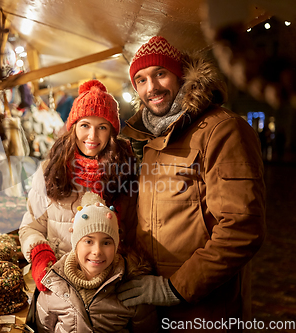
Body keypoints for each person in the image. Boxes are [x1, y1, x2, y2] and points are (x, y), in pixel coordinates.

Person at [117, 36, 266, 331]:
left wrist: (175, 288)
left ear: (181, 74)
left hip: (206, 309)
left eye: (160, 73)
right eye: (141, 80)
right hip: (155, 306)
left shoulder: (223, 130)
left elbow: (241, 227)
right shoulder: (150, 138)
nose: (152, 88)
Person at [19, 79, 138, 292]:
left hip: (109, 287)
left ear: (112, 132)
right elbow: (30, 227)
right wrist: (39, 256)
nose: (92, 136)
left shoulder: (124, 172)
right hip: (58, 281)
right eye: (85, 125)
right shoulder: (50, 171)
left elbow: (134, 232)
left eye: (102, 127)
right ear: (73, 127)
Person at [29, 192, 158, 333]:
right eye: (88, 241)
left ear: (116, 246)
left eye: (106, 242)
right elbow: (44, 329)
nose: (97, 251)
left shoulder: (133, 288)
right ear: (75, 244)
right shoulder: (53, 287)